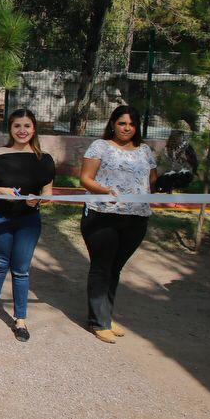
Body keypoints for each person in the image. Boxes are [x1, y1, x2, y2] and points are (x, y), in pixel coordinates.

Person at [0, 109, 55, 342]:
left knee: (21, 269)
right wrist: (0, 190)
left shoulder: (44, 159)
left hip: (28, 220)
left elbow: (48, 193)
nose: (22, 130)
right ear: (10, 129)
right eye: (17, 126)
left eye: (27, 126)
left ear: (34, 128)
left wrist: (38, 199)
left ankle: (20, 319)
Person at [79, 105, 157, 344]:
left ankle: (106, 316)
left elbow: (152, 181)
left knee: (115, 268)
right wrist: (106, 191)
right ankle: (98, 322)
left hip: (136, 218)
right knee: (101, 267)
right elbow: (85, 179)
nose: (127, 128)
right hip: (103, 215)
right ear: (113, 123)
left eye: (132, 124)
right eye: (122, 123)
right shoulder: (100, 146)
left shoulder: (145, 151)